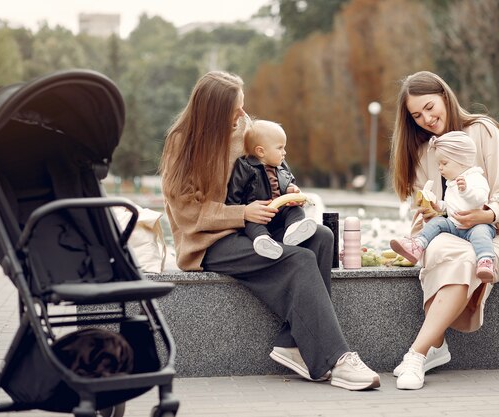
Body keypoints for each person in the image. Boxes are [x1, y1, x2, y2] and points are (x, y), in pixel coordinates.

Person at [159, 71, 380, 391]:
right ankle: (336, 359)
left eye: (242, 108)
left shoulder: (244, 129)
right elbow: (188, 212)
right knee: (298, 260)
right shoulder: (181, 143)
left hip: (253, 224)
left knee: (320, 238)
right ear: (213, 112)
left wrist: (286, 191)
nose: (242, 116)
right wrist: (242, 213)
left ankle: (292, 344)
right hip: (208, 242)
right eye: (235, 111)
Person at [388, 71, 499, 390]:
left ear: (445, 97)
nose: (426, 119)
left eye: (430, 107)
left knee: (466, 258)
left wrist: (484, 213)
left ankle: (418, 354)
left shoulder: (483, 132)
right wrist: (428, 210)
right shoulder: (422, 151)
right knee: (447, 251)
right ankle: (432, 346)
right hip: (445, 233)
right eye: (417, 115)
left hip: (492, 235)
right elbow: (426, 215)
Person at [391, 130, 497, 282]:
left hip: (475, 225)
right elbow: (451, 206)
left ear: (462, 161)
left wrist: (466, 190)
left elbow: (480, 199)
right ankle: (417, 245)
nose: (440, 168)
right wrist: (438, 206)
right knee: (438, 222)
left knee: (481, 233)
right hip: (455, 225)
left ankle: (485, 261)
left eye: (444, 163)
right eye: (438, 164)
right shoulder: (453, 182)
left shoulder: (475, 178)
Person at [226, 119, 317, 259]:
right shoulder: (245, 167)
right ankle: (263, 241)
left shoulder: (281, 166)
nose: (284, 152)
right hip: (257, 214)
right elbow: (234, 194)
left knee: (295, 209)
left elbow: (288, 181)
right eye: (280, 148)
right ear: (261, 151)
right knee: (252, 224)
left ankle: (294, 229)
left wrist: (291, 189)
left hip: (279, 211)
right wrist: (243, 209)